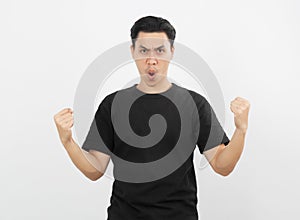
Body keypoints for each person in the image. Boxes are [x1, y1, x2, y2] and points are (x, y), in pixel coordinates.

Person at [54, 15, 250, 220]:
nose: (152, 59)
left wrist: (241, 130)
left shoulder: (193, 104)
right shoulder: (113, 104)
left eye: (160, 50)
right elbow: (95, 169)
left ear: (172, 52)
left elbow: (222, 165)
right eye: (143, 50)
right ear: (132, 52)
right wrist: (68, 141)